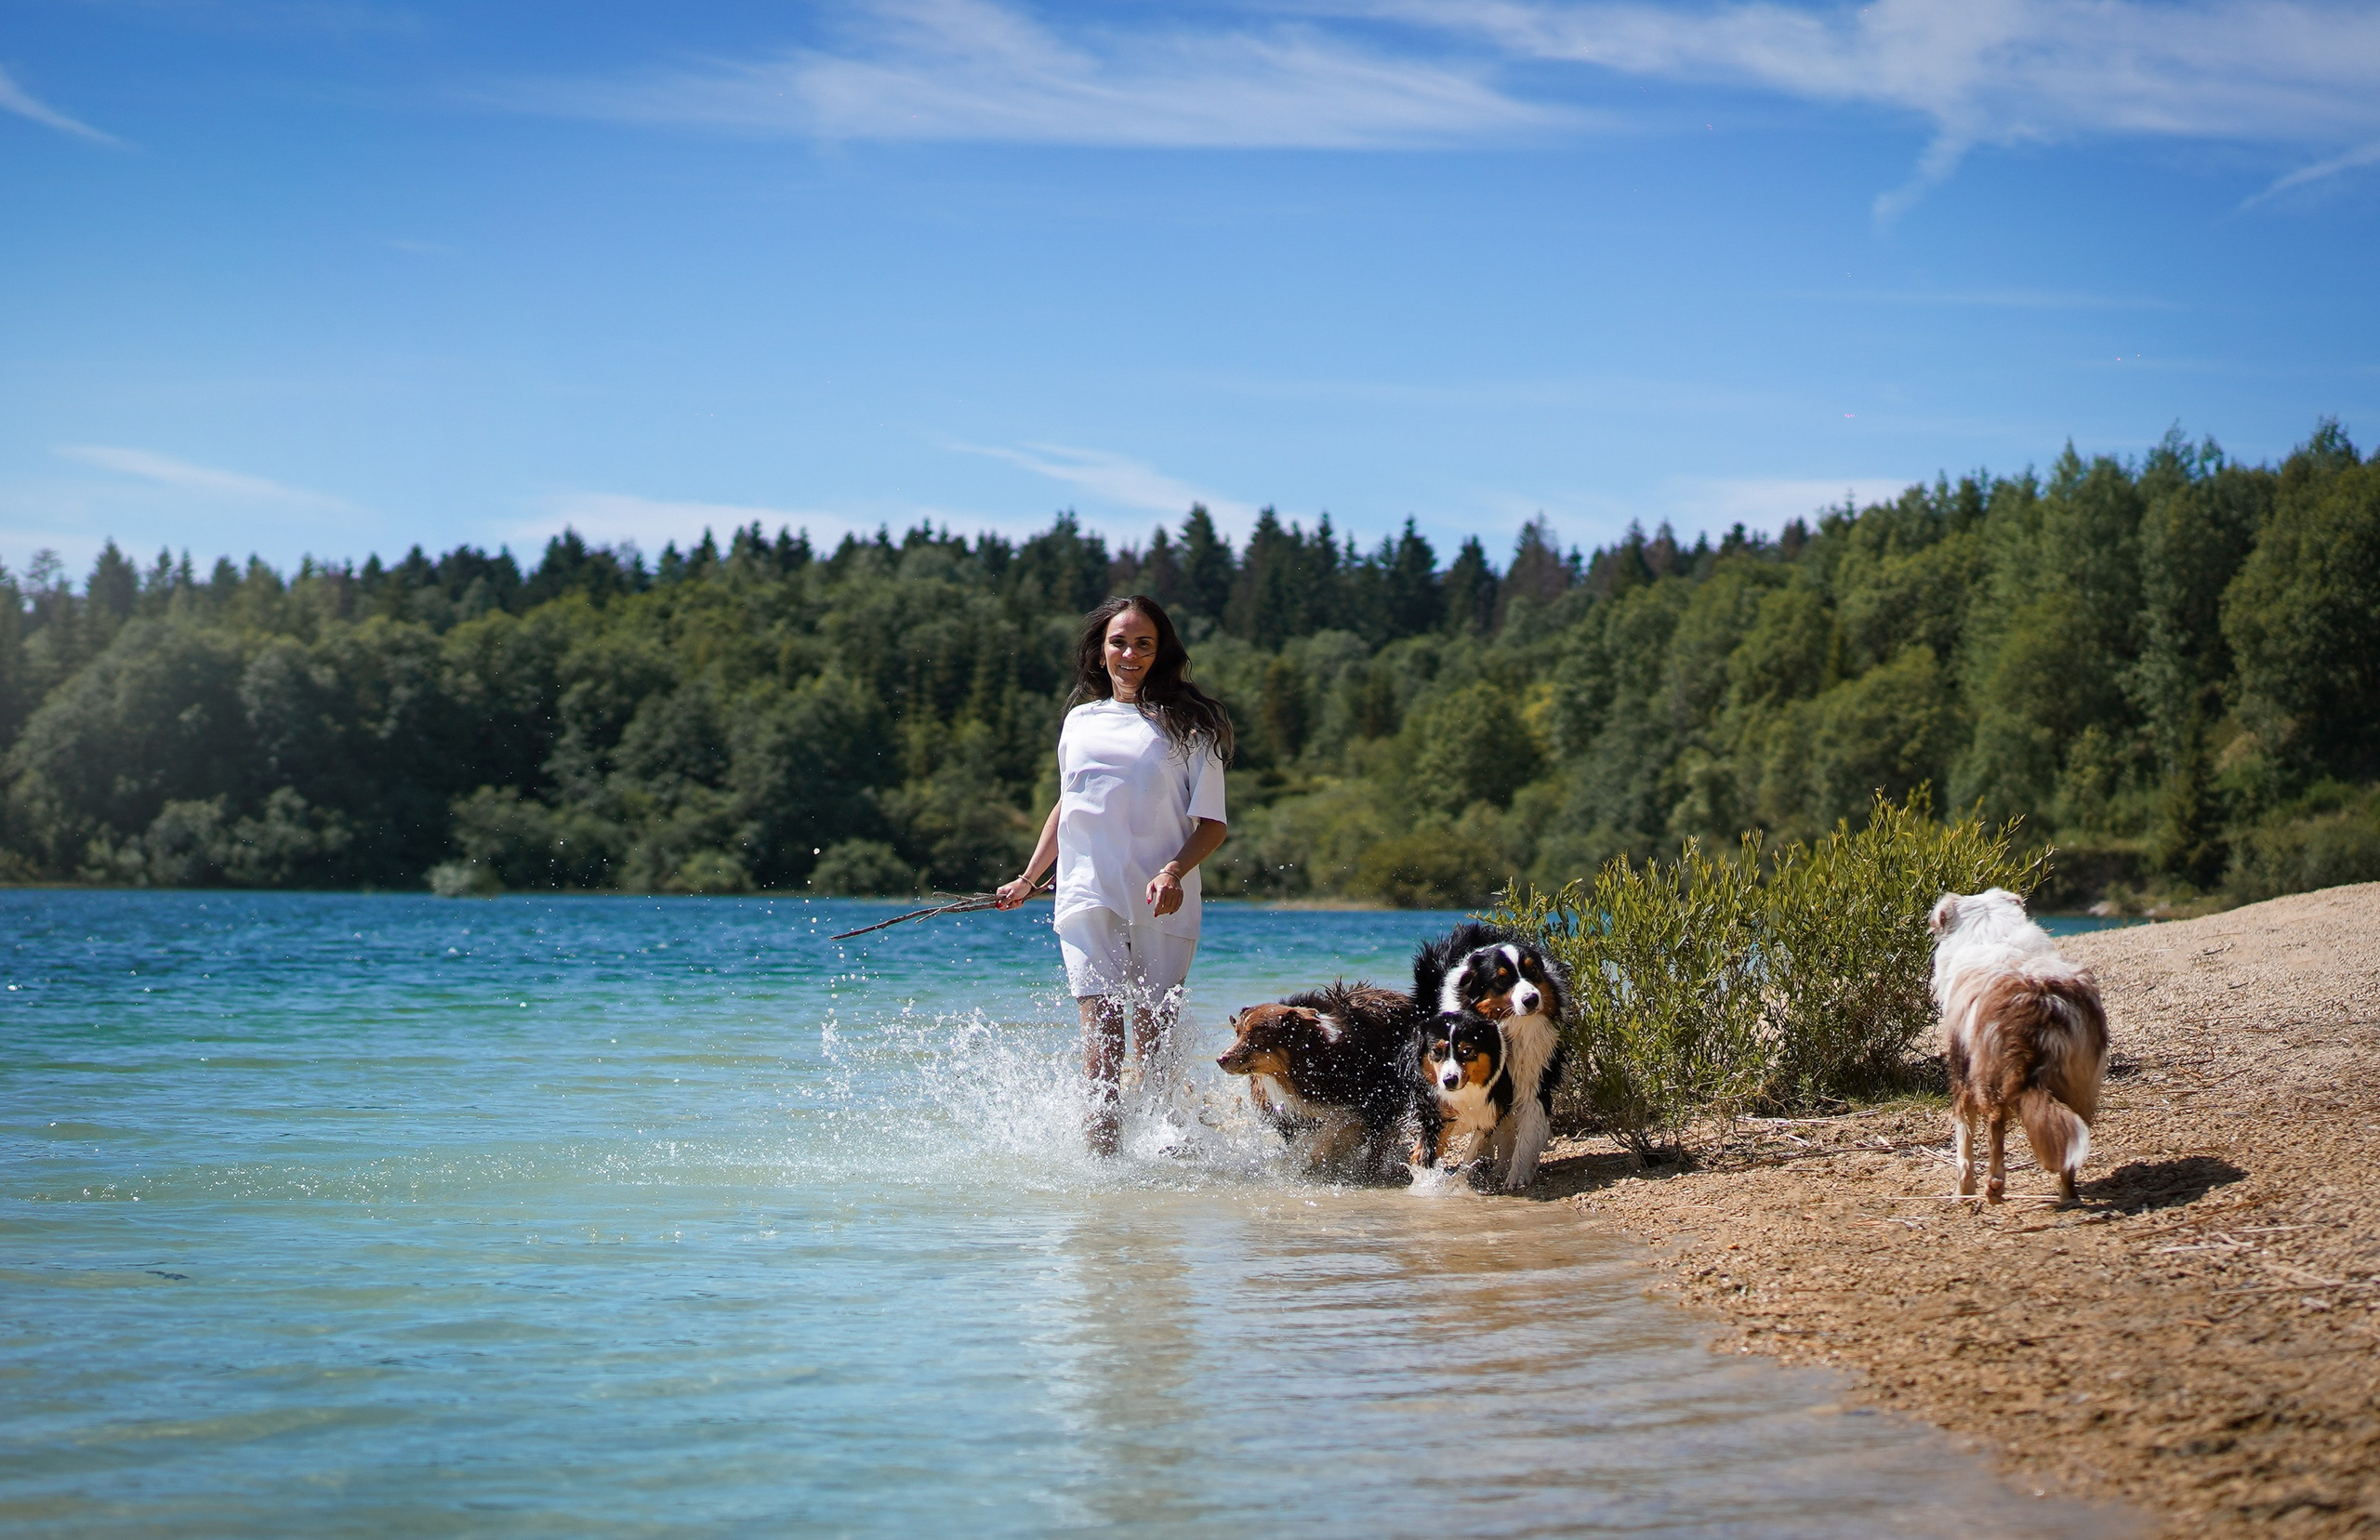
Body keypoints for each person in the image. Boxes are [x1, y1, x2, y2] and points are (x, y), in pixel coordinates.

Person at [996, 595, 1232, 1155]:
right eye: (1118, 642)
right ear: (1100, 651)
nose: (1130, 653)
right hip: (1086, 893)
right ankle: (1104, 1174)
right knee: (1101, 1036)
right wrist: (1029, 879)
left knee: (1152, 1041)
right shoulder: (1080, 721)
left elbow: (1214, 825)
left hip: (1161, 900)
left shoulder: (1191, 727)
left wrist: (1174, 870)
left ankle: (1163, 1157)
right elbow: (1068, 804)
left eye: (1143, 644)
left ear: (1161, 651)